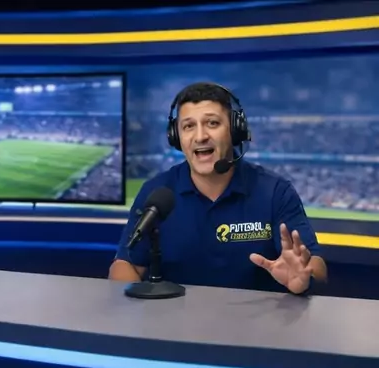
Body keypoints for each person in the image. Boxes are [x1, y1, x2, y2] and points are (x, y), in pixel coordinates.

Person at [109, 82, 327, 294]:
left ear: (235, 130)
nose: (200, 136)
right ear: (176, 137)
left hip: (257, 319)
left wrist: (303, 277)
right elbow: (125, 265)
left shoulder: (275, 192)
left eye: (212, 123)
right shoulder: (156, 193)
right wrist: (136, 309)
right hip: (172, 318)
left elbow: (316, 267)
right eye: (188, 126)